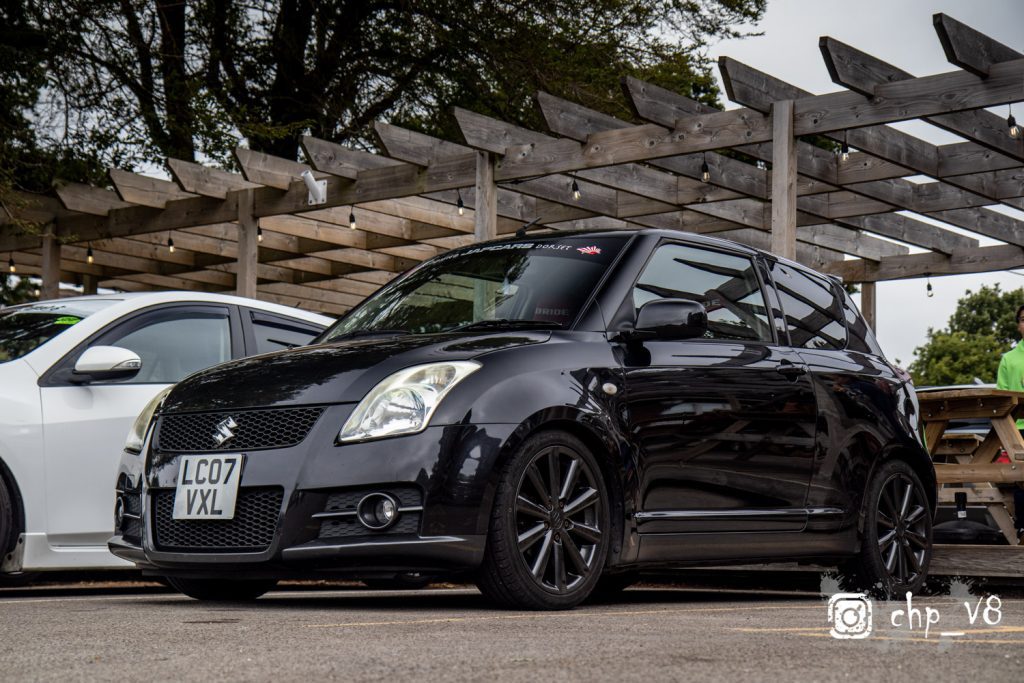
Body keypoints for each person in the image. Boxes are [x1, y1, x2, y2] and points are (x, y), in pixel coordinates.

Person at [996, 304, 1024, 533]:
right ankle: (1022, 528)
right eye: (1023, 319)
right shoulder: (1009, 359)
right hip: (1018, 428)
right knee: (1020, 480)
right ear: (1018, 325)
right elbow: (1001, 395)